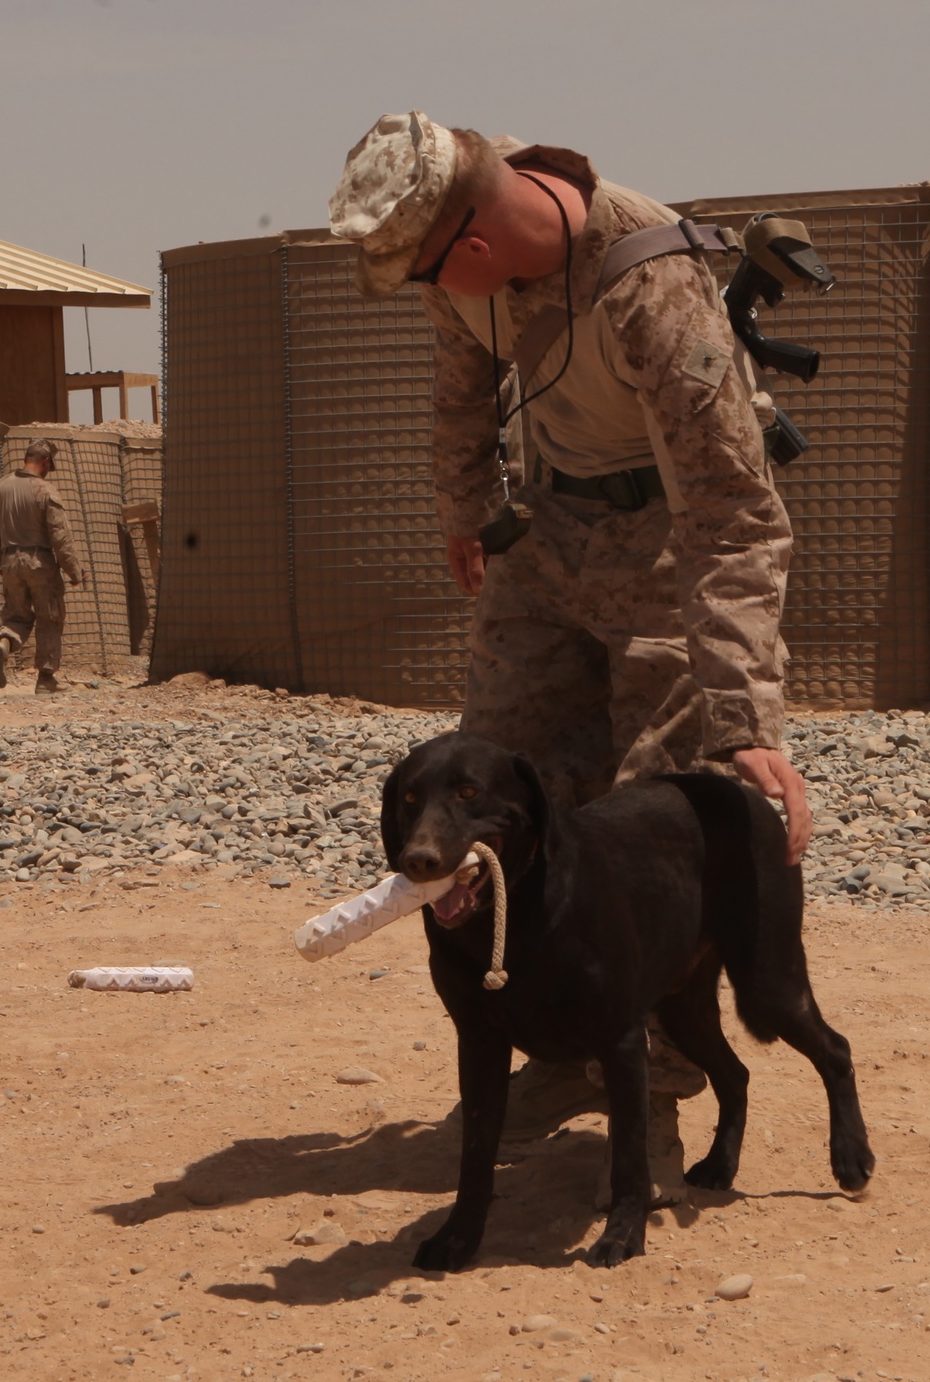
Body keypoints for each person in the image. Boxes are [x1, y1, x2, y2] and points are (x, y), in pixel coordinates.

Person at [328, 111, 812, 1163]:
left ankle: (658, 1065)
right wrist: (468, 508)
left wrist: (743, 715)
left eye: (429, 275)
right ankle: (539, 1014)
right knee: (499, 782)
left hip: (666, 541)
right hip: (547, 535)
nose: (432, 297)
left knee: (654, 801)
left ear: (476, 242)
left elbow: (732, 513)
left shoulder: (653, 286)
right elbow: (463, 392)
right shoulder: (462, 270)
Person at [0, 438, 85, 694]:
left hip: (9, 563)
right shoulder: (45, 490)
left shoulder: (0, 487)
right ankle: (46, 678)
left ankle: (5, 643)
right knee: (50, 617)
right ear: (45, 461)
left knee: (16, 615)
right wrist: (73, 569)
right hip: (39, 563)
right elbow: (59, 535)